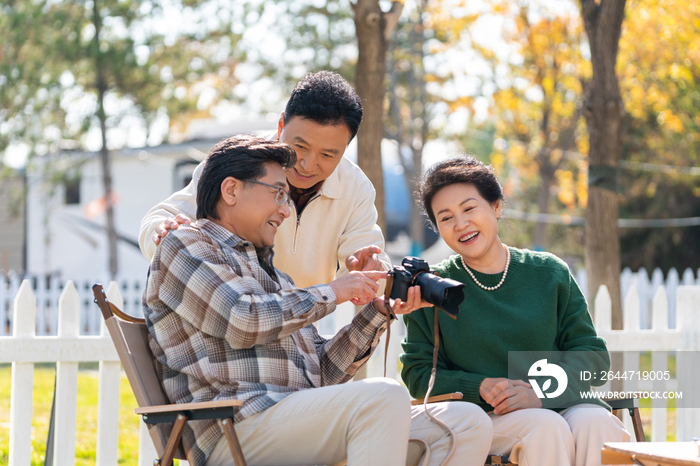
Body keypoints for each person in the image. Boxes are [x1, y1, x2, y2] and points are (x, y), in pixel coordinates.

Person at [144, 136, 492, 466]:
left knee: (466, 422)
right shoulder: (186, 245)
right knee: (383, 397)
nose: (285, 210)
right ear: (231, 189)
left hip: (291, 418)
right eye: (278, 194)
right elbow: (243, 319)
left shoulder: (274, 275)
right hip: (234, 427)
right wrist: (335, 290)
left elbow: (323, 373)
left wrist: (377, 311)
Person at [400, 156, 630, 466]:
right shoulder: (432, 288)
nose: (461, 224)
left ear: (495, 206)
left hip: (559, 402)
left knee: (598, 423)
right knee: (543, 426)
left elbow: (592, 356)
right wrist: (479, 386)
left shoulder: (549, 273)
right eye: (446, 217)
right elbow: (418, 374)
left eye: (469, 209)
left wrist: (540, 393)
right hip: (485, 416)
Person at [139, 71, 390, 289]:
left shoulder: (355, 186)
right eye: (299, 146)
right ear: (281, 125)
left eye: (327, 154)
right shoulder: (239, 161)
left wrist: (369, 267)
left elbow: (370, 265)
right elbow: (160, 219)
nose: (308, 164)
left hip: (298, 324)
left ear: (345, 148)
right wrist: (164, 233)